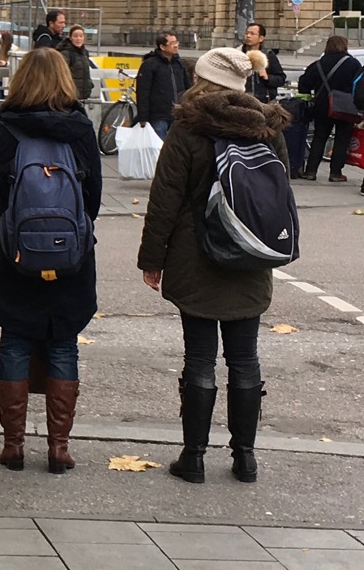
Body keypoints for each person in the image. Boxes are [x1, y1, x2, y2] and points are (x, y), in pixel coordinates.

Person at [137, 47, 290, 485]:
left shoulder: (189, 128)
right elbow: (279, 196)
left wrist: (152, 259)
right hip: (250, 254)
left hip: (195, 256)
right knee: (245, 358)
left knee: (200, 358)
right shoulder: (267, 127)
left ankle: (195, 458)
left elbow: (164, 199)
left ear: (203, 81)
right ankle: (245, 458)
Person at [0, 48, 101, 474]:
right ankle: (58, 447)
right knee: (63, 340)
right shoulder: (81, 128)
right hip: (70, 256)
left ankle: (13, 445)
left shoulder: (6, 129)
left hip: (16, 253)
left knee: (15, 337)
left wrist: (12, 234)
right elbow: (94, 200)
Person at [296, 34, 363, 182]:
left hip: (322, 106)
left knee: (319, 137)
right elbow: (358, 86)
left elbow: (304, 84)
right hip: (346, 107)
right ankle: (335, 173)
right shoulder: (353, 64)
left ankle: (311, 171)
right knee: (342, 139)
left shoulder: (318, 64)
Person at [135, 31, 192, 140]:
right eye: (172, 43)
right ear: (162, 46)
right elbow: (143, 92)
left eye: (177, 42)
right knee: (159, 148)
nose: (176, 46)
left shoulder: (180, 64)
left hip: (178, 114)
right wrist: (143, 117)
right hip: (159, 115)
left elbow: (188, 88)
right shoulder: (150, 64)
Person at [240, 23, 285, 103]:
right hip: (242, 101)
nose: (248, 36)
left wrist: (267, 77)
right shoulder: (238, 54)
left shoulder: (268, 55)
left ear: (261, 38)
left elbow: (281, 79)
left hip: (264, 102)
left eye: (252, 34)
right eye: (247, 33)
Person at [57, 25, 94, 101]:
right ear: (70, 38)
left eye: (81, 36)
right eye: (75, 36)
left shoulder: (85, 53)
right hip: (71, 95)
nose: (78, 39)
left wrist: (89, 85)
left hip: (84, 94)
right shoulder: (66, 53)